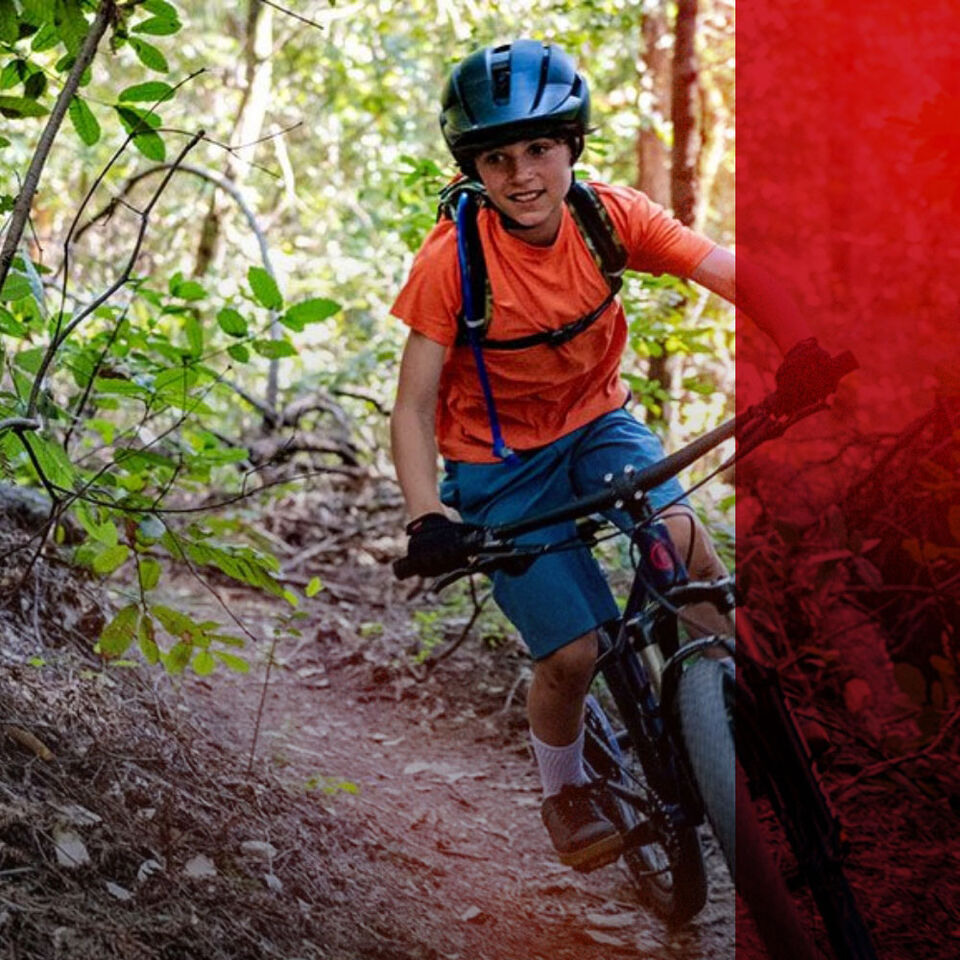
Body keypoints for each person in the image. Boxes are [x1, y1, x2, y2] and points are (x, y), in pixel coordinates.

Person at [390, 39, 828, 870]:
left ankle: (723, 728)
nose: (522, 174)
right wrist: (427, 517)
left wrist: (798, 342)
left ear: (572, 148)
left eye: (540, 149)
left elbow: (731, 271)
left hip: (598, 426)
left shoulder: (607, 217)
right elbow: (412, 408)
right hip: (500, 465)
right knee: (571, 654)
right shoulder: (453, 263)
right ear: (472, 168)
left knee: (690, 552)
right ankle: (565, 788)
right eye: (498, 156)